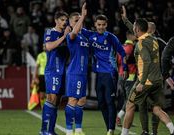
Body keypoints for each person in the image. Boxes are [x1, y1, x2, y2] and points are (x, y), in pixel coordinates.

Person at [120, 18, 174, 135]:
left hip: (146, 81)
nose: (133, 29)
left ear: (137, 29)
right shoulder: (153, 39)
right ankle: (173, 131)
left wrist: (141, 82)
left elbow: (146, 62)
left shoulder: (141, 44)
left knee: (130, 105)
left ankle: (124, 133)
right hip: (157, 80)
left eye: (134, 28)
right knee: (157, 109)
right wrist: (126, 20)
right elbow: (136, 29)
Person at [84, 14, 128, 135]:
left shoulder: (111, 37)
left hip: (110, 74)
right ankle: (108, 128)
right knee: (101, 103)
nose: (101, 27)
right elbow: (75, 27)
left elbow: (123, 53)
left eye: (103, 25)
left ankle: (111, 130)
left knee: (109, 101)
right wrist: (81, 16)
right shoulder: (90, 35)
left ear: (106, 25)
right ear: (95, 25)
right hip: (99, 75)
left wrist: (124, 68)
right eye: (99, 25)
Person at [39, 11, 71, 135]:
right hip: (53, 70)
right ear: (56, 20)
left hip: (63, 71)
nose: (64, 22)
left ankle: (51, 130)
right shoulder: (50, 32)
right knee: (51, 99)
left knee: (57, 102)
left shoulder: (66, 34)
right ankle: (43, 130)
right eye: (62, 20)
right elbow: (49, 47)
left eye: (65, 20)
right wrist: (64, 37)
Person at [65, 3, 89, 135]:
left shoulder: (84, 36)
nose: (80, 22)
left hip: (83, 73)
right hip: (75, 72)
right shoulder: (71, 35)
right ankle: (69, 130)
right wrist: (83, 15)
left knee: (82, 100)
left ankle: (78, 129)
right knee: (73, 100)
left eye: (80, 20)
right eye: (76, 20)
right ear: (71, 22)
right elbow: (74, 32)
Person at [116, 31, 137, 127]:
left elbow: (117, 60)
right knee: (130, 99)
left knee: (127, 99)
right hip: (129, 76)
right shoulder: (130, 47)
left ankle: (127, 120)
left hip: (121, 75)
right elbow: (126, 58)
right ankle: (119, 117)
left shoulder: (122, 46)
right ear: (130, 36)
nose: (136, 36)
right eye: (134, 34)